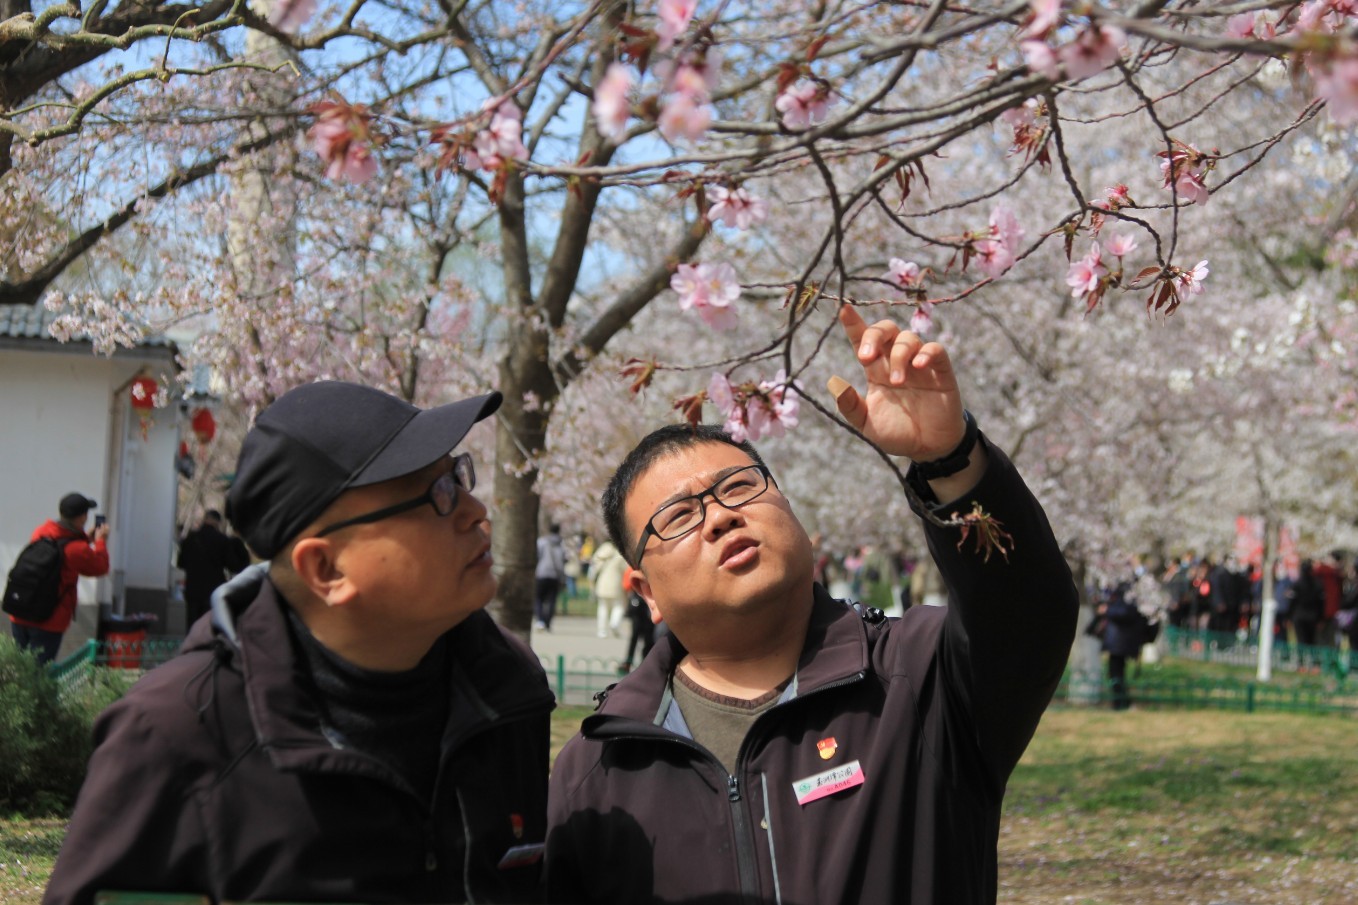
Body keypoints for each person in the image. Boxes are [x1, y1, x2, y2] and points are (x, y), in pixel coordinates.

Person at [544, 307, 1079, 905]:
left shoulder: (916, 680)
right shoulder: (599, 770)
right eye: (679, 517)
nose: (721, 517)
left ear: (791, 510)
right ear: (646, 592)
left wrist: (951, 461)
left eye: (739, 487)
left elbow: (1027, 612)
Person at [44, 382, 555, 905]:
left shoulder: (507, 688)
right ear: (326, 568)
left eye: (458, 476)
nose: (476, 510)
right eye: (439, 495)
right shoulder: (174, 737)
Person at [8, 493, 110, 666]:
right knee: (39, 673)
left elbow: (62, 545)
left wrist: (86, 538)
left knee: (20, 670)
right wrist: (100, 542)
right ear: (82, 517)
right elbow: (101, 567)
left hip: (20, 612)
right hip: (48, 621)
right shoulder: (77, 549)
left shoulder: (41, 532)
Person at [176, 509, 250, 626]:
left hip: (192, 589)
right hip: (213, 590)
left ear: (205, 519)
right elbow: (234, 566)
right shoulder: (222, 540)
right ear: (217, 522)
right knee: (209, 627)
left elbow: (180, 563)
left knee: (192, 624)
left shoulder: (190, 539)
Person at [589, 538, 627, 638]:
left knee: (602, 607)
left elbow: (595, 566)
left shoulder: (602, 551)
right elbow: (625, 568)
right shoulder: (620, 552)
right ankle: (614, 623)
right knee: (619, 605)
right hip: (616, 583)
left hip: (602, 583)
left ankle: (601, 631)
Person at [535, 523, 567, 631]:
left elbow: (537, 556)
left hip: (541, 573)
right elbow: (564, 560)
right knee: (552, 600)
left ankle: (540, 620)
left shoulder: (542, 542)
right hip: (556, 575)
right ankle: (548, 622)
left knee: (538, 598)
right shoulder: (562, 544)